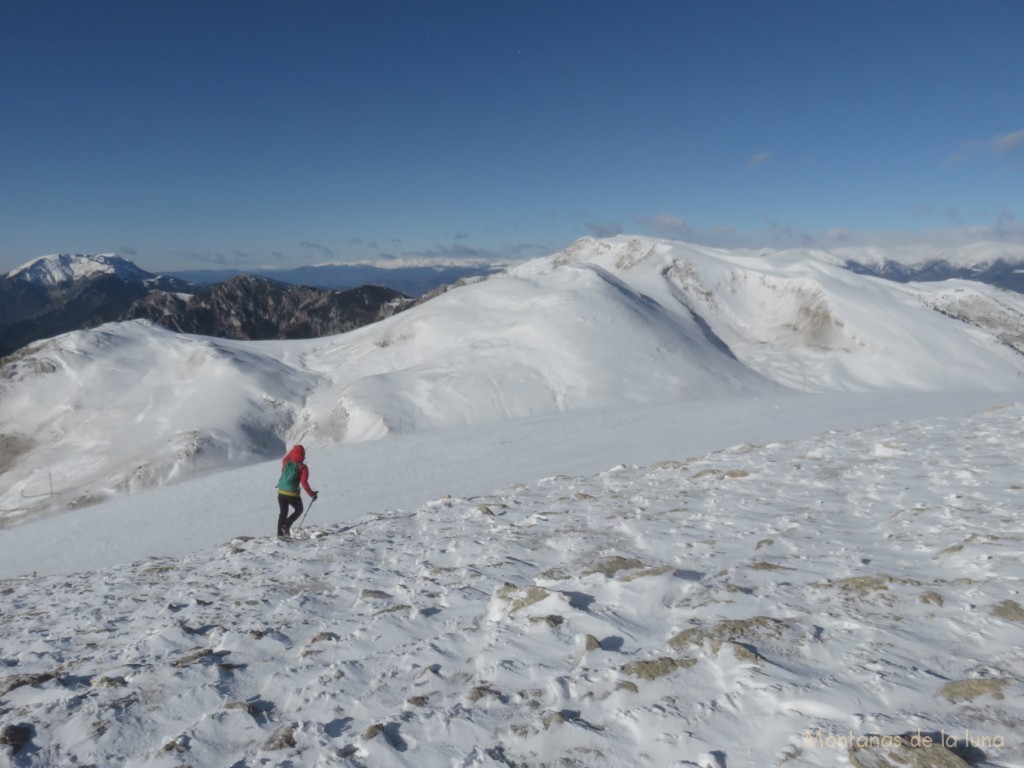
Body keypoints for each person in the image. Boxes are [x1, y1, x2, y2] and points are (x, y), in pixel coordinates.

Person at [276, 444, 318, 538]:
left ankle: (280, 534)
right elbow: (304, 482)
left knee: (283, 512)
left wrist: (294, 450)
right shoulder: (302, 467)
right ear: (303, 455)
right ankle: (286, 526)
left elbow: (287, 457)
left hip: (281, 492)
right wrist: (311, 494)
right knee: (299, 509)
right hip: (292, 493)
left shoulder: (286, 462)